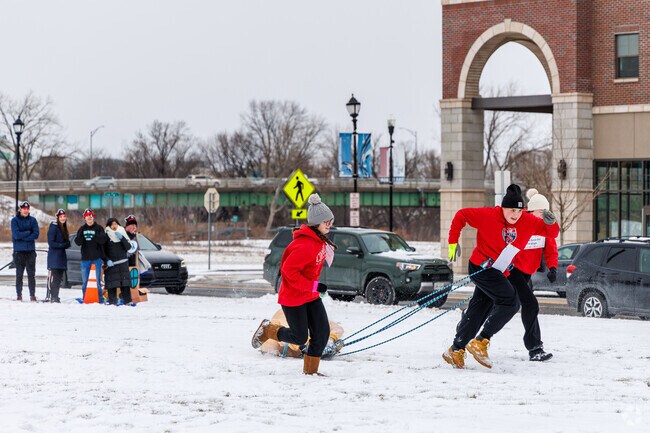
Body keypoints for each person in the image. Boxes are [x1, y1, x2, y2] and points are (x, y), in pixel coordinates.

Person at [442, 184, 560, 369]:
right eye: (511, 210)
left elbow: (551, 234)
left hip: (499, 270)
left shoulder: (528, 221)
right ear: (503, 208)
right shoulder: (488, 216)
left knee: (480, 309)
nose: (515, 215)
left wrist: (551, 222)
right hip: (480, 266)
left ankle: (456, 349)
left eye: (519, 211)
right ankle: (481, 340)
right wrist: (452, 242)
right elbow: (461, 215)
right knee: (511, 302)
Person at [251, 193, 336, 375]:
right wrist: (313, 286)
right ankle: (268, 329)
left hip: (309, 295)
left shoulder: (320, 241)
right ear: (315, 223)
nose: (329, 224)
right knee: (299, 337)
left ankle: (311, 372)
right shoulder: (304, 245)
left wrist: (313, 287)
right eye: (325, 222)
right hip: (293, 298)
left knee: (321, 334)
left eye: (330, 220)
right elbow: (288, 271)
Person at [507, 188, 558, 362]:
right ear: (531, 210)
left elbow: (551, 249)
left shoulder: (544, 227)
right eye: (540, 211)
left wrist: (552, 268)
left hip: (527, 273)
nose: (543, 214)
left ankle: (471, 316)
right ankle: (535, 348)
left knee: (504, 306)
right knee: (530, 305)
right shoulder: (521, 221)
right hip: (512, 270)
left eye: (546, 211)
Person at [75, 208, 107, 302]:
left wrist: (94, 235)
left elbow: (103, 240)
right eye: (87, 216)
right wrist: (82, 236)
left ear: (93, 217)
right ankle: (85, 297)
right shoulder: (82, 229)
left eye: (91, 216)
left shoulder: (99, 228)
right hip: (85, 259)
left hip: (96, 259)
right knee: (85, 281)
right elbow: (78, 242)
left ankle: (100, 298)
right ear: (85, 218)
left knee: (97, 281)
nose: (89, 217)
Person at [11, 201, 40, 301]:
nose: (26, 210)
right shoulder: (14, 221)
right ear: (20, 209)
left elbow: (36, 234)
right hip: (19, 252)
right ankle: (19, 295)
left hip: (30, 252)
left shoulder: (33, 220)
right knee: (19, 275)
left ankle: (32, 295)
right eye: (24, 209)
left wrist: (23, 237)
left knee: (31, 275)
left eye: (27, 209)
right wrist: (28, 232)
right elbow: (16, 235)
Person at [103, 217, 133, 306]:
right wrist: (107, 260)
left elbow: (128, 247)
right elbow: (103, 251)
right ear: (109, 226)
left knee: (125, 284)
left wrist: (122, 238)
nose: (114, 226)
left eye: (115, 224)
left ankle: (127, 301)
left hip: (123, 264)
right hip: (112, 264)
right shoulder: (106, 235)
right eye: (112, 224)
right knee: (112, 284)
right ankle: (112, 302)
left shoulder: (122, 232)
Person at [46, 209, 71, 303]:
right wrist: (62, 245)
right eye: (61, 217)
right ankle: (53, 296)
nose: (63, 218)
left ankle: (56, 296)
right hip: (55, 257)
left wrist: (67, 243)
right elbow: (51, 243)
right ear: (57, 218)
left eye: (64, 217)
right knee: (55, 278)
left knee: (59, 278)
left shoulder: (63, 228)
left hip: (60, 256)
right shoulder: (54, 227)